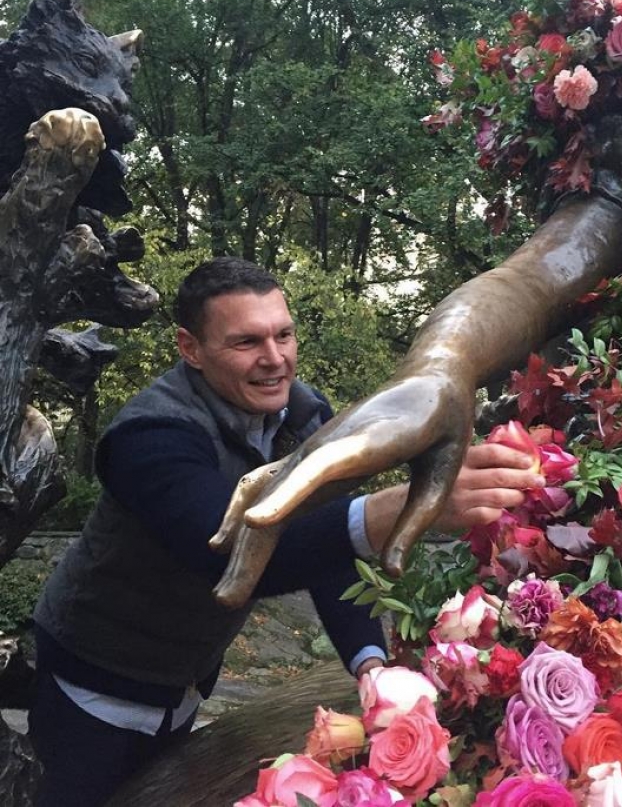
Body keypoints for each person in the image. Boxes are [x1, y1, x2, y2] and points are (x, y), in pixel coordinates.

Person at [26, 256, 543, 806]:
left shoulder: (304, 416)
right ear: (189, 348)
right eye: (247, 342)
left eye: (284, 335)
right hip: (90, 690)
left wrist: (370, 669)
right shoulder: (149, 436)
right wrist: (401, 505)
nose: (275, 360)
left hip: (180, 687)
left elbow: (328, 546)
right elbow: (230, 559)